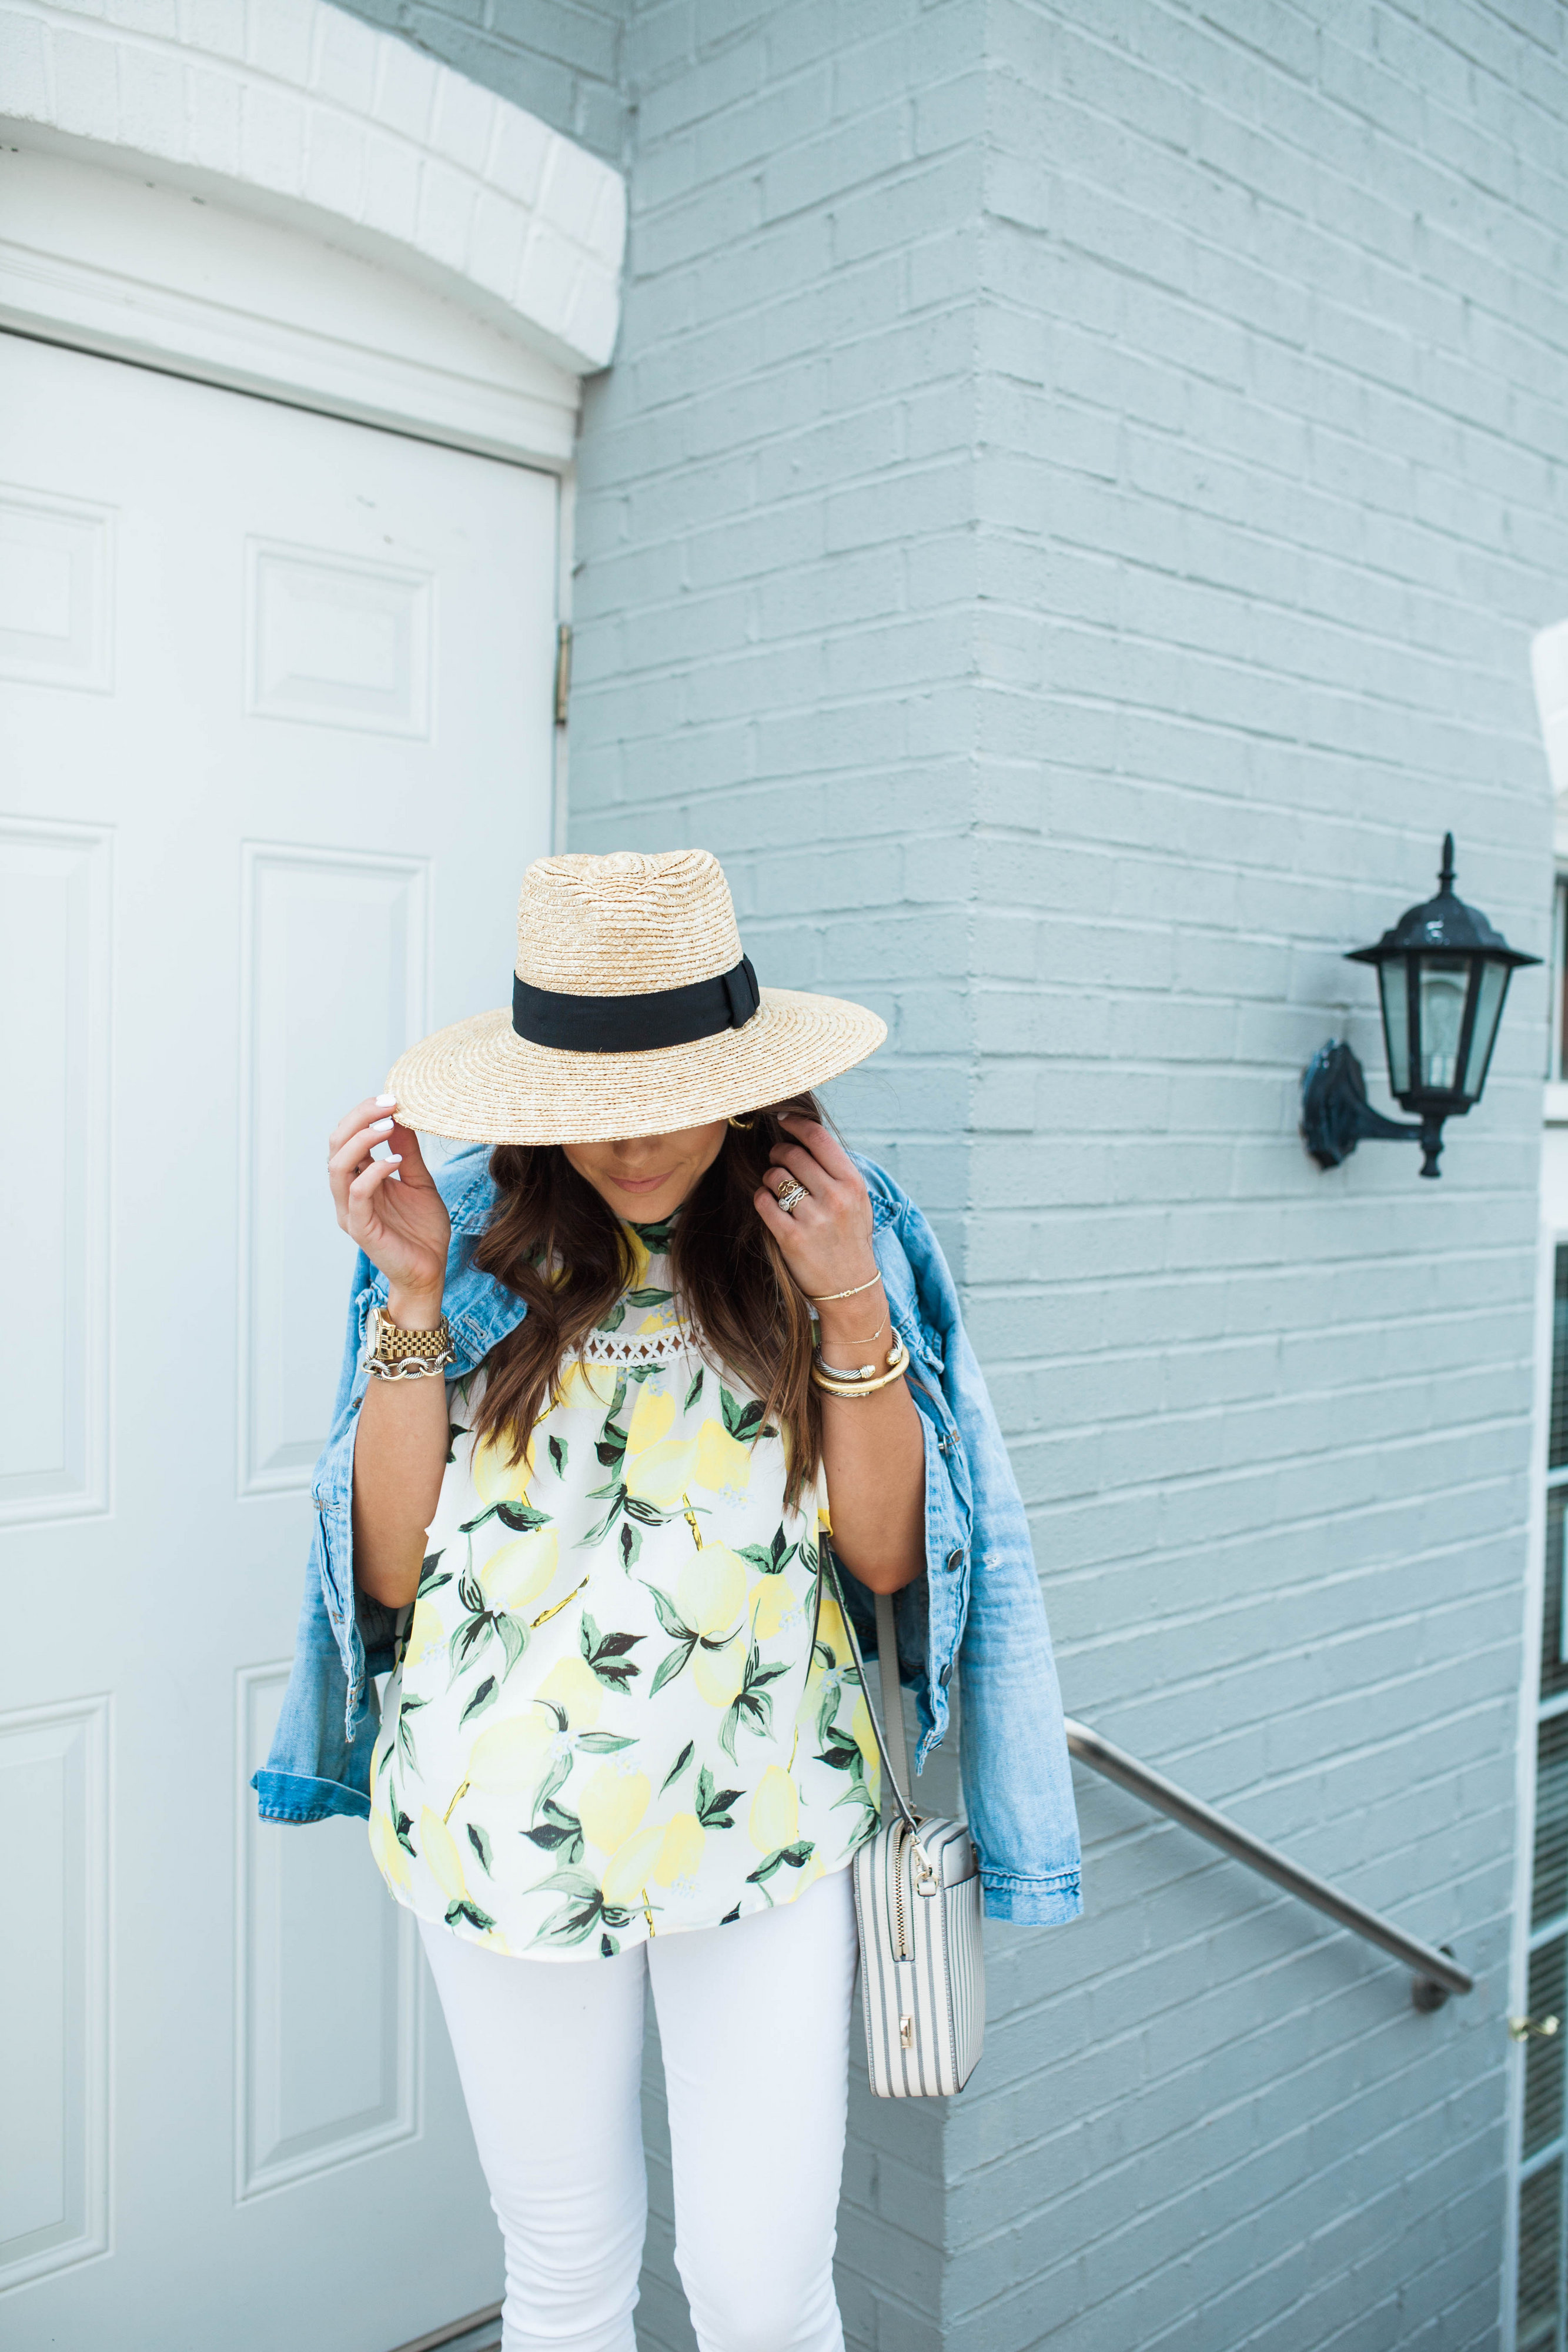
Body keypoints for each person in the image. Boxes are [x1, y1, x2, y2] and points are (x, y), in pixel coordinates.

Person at [255, 849, 1081, 2352]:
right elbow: (383, 1571)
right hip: (503, 1820)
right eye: (589, 1097)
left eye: (670, 1084)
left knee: (763, 2295)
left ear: (744, 1073)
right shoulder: (451, 1224)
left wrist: (846, 1298)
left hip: (763, 1808)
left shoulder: (833, 1221)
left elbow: (892, 1561)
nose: (631, 1138)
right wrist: (413, 1305)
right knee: (565, 2280)